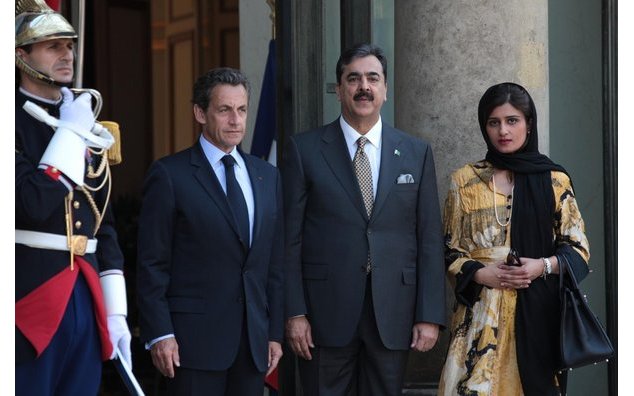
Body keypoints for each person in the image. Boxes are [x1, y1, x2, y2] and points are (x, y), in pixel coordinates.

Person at [282, 43, 446, 396]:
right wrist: (294, 312)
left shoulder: (416, 153)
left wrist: (429, 313)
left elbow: (429, 238)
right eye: (353, 78)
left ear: (385, 90)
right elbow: (289, 238)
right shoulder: (304, 150)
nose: (363, 87)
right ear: (339, 88)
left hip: (393, 313)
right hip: (323, 316)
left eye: (373, 78)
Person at [137, 67, 284, 395]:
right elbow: (152, 264)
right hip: (191, 346)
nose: (236, 120)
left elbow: (273, 263)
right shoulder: (170, 175)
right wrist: (160, 333)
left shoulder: (267, 176)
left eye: (242, 110)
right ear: (200, 113)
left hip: (252, 345)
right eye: (225, 109)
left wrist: (273, 333)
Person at [438, 82, 591, 395]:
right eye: (494, 122)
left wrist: (542, 266)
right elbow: (446, 250)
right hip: (480, 320)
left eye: (512, 121)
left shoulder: (553, 180)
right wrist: (481, 273)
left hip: (539, 319)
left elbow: (579, 251)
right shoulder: (464, 180)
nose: (503, 131)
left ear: (529, 124)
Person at [15, 1, 132, 394]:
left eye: (70, 45)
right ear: (21, 54)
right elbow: (30, 203)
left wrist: (116, 311)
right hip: (28, 295)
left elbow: (104, 221)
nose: (68, 54)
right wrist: (70, 135)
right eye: (53, 46)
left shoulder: (84, 121)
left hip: (85, 291)